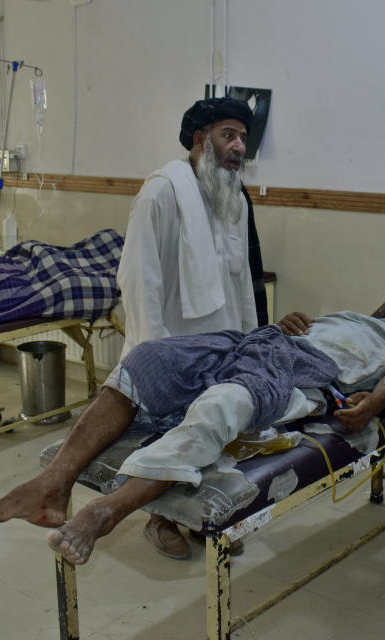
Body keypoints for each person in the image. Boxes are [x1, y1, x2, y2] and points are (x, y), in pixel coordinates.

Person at [0, 282, 385, 565]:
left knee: (225, 403)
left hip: (298, 373)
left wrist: (374, 404)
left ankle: (108, 511)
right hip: (257, 342)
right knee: (147, 359)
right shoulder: (348, 313)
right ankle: (52, 485)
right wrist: (289, 323)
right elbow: (294, 331)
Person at [115, 97, 261, 557]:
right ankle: (160, 519)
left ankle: (204, 518)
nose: (239, 146)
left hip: (221, 343)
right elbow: (139, 278)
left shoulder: (233, 196)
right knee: (169, 438)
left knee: (213, 432)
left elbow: (243, 281)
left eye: (242, 137)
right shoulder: (162, 191)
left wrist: (249, 341)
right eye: (228, 135)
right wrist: (152, 357)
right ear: (200, 140)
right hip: (171, 344)